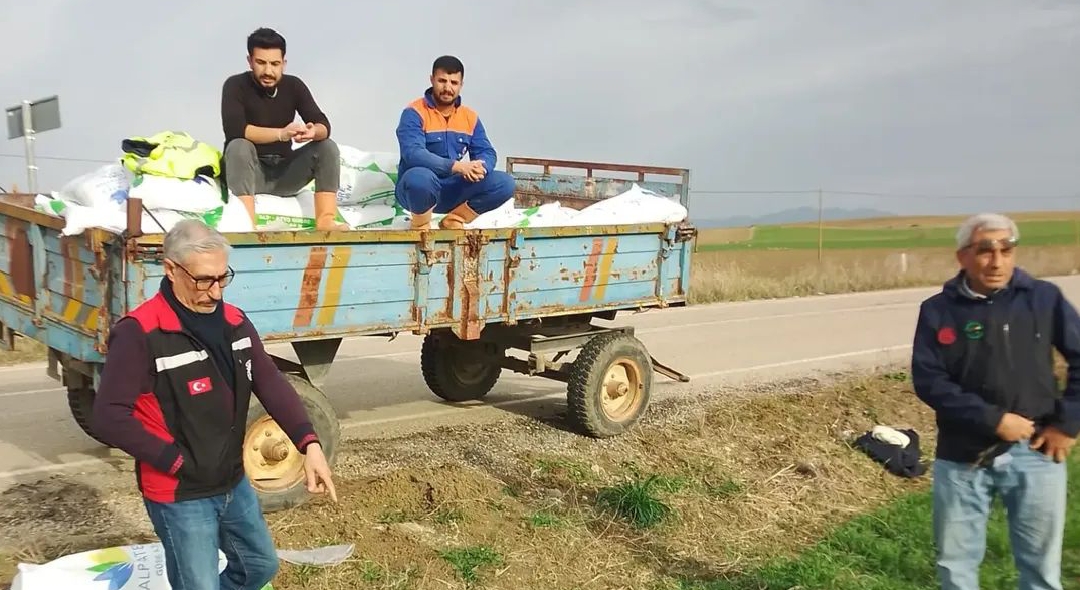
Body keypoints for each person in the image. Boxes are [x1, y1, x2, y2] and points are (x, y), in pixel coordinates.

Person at [91, 219, 338, 589]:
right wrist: (175, 461)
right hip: (180, 493)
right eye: (204, 279)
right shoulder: (141, 332)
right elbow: (108, 416)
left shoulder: (236, 323)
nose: (216, 291)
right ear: (171, 269)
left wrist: (310, 444)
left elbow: (269, 382)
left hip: (232, 482)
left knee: (259, 567)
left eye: (223, 278)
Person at [910, 212, 1079, 590]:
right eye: (985, 250)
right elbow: (928, 380)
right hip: (961, 456)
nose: (997, 260)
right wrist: (994, 419)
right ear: (963, 257)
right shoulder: (937, 310)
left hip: (1035, 450)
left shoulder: (1043, 298)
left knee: (1040, 569)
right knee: (956, 566)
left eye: (1006, 249)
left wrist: (1067, 424)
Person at [220, 27, 348, 231]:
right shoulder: (235, 85)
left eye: (275, 64)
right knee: (238, 146)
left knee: (326, 147)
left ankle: (325, 221)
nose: (268, 71)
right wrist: (281, 134)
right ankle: (246, 225)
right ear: (250, 61)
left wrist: (312, 131)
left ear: (284, 63)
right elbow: (235, 129)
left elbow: (324, 124)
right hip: (252, 172)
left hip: (285, 173)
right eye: (261, 63)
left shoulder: (294, 86)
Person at [394, 55, 516, 230]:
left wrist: (481, 167)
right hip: (419, 192)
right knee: (419, 178)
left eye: (453, 82)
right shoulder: (414, 112)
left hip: (454, 190)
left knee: (504, 183)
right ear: (432, 80)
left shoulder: (470, 116)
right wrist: (457, 166)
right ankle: (420, 226)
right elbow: (413, 154)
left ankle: (455, 219)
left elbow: (486, 151)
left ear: (461, 85)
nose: (447, 88)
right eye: (442, 81)